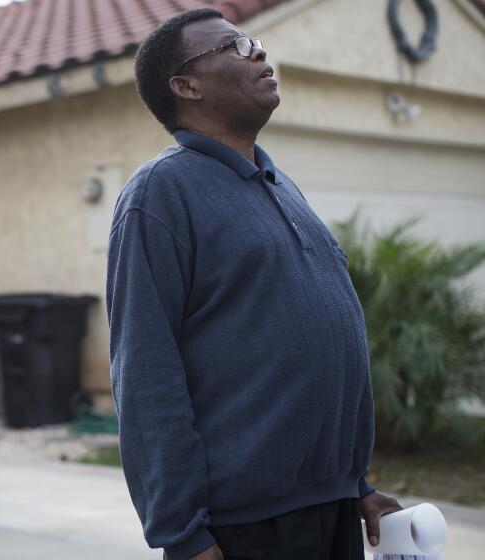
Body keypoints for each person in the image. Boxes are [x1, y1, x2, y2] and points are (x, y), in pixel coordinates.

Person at [105, 8, 403, 560]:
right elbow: (145, 371)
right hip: (243, 525)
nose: (259, 54)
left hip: (330, 508)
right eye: (235, 49)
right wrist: (182, 534)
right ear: (185, 85)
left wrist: (354, 484)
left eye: (255, 43)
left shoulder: (277, 182)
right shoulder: (160, 194)